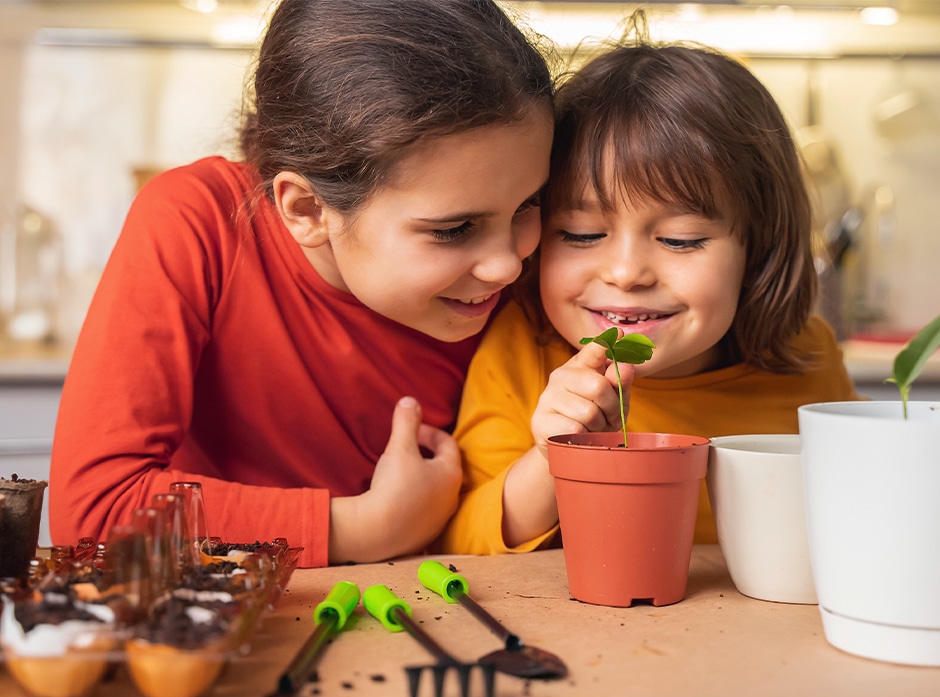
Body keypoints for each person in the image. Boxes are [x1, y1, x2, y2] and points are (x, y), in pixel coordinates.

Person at [49, 0, 555, 568]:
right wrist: (368, 527)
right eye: (454, 229)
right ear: (309, 209)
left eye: (528, 203)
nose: (508, 265)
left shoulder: (527, 273)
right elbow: (92, 516)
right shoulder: (198, 223)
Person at [436, 38, 862, 556]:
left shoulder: (808, 356)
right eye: (583, 234)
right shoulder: (522, 349)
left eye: (680, 240)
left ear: (759, 248)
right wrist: (553, 456)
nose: (625, 273)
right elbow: (466, 543)